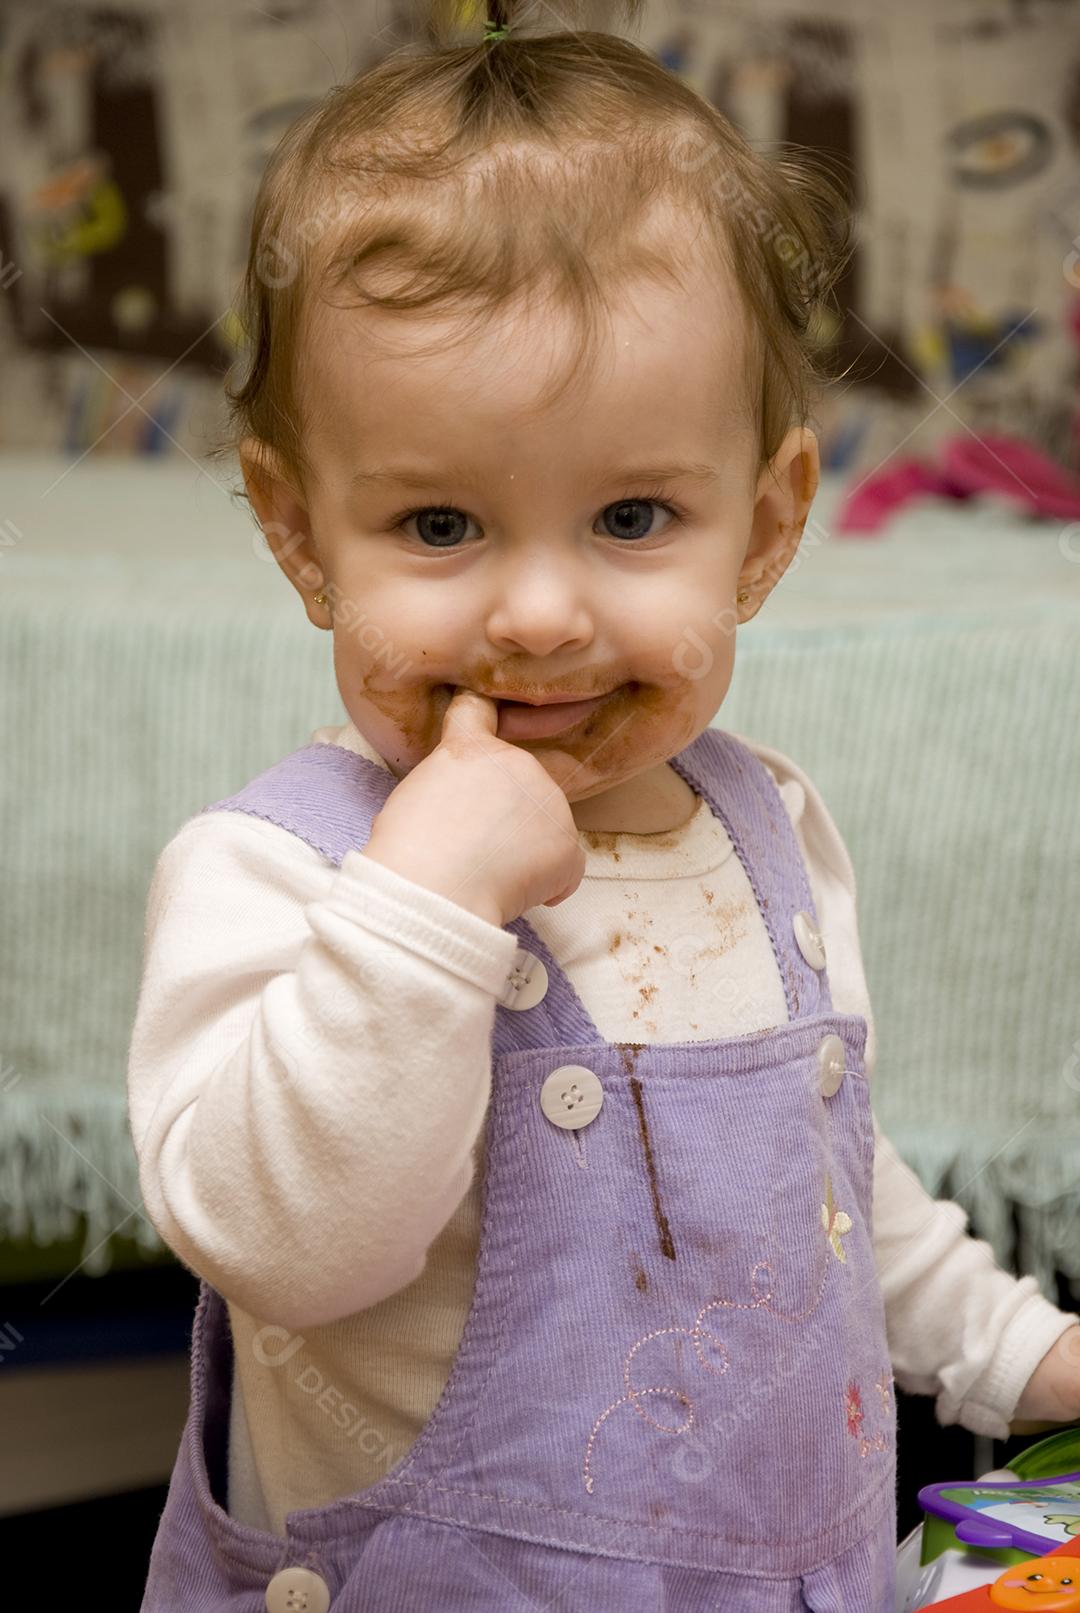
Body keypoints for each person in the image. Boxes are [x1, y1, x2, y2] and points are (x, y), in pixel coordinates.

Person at [127, 1, 1080, 1606]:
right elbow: (278, 1243)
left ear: (766, 527)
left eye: (634, 513)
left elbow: (825, 1189)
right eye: (440, 523)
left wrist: (1015, 1349)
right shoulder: (283, 870)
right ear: (300, 537)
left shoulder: (770, 827)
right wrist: (422, 907)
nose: (544, 613)